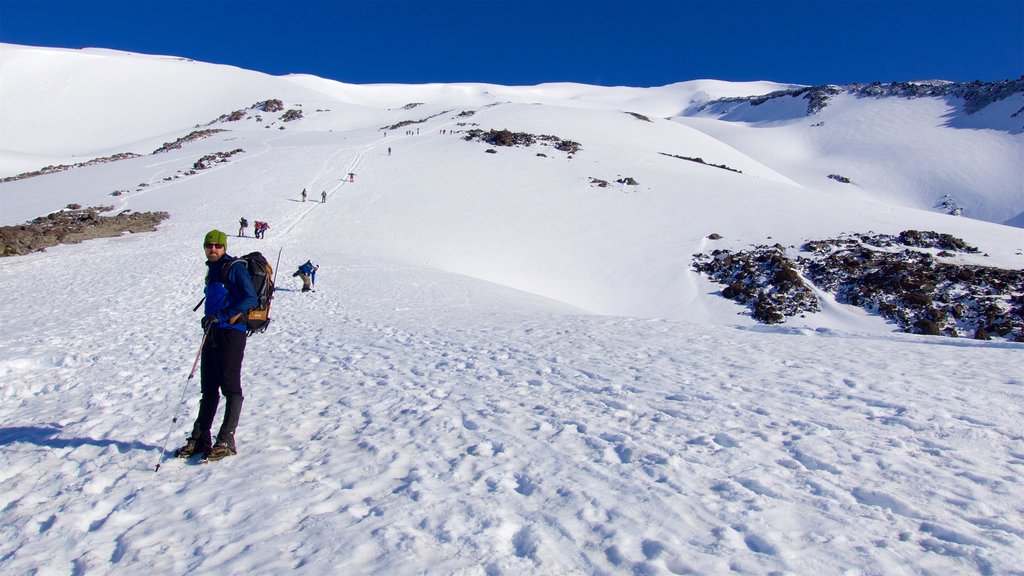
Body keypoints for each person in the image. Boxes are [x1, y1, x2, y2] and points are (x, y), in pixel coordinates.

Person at [175, 230, 257, 461]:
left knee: (230, 386)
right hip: (212, 332)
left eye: (217, 246)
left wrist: (221, 316)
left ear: (224, 247)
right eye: (209, 245)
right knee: (208, 387)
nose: (213, 249)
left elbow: (250, 298)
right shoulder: (212, 270)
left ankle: (226, 439)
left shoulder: (233, 267)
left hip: (232, 332)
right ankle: (200, 437)